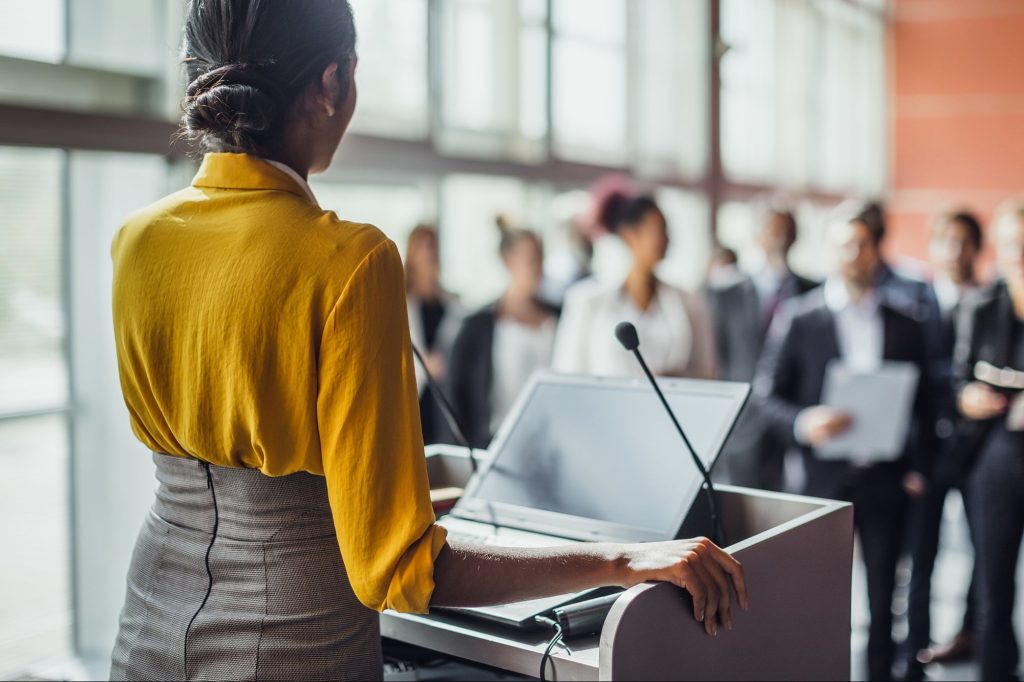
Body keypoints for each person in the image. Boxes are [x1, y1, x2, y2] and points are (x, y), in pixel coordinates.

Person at [107, 2, 748, 679]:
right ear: (334, 82)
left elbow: (235, 456)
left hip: (151, 621)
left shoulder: (137, 240)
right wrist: (622, 561)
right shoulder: (350, 260)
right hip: (291, 646)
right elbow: (399, 571)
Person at [756, 209, 933, 682]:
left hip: (885, 478)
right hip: (821, 480)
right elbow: (765, 397)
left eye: (862, 244)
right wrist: (802, 422)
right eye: (843, 245)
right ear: (829, 251)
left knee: (883, 600)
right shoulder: (799, 318)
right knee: (817, 601)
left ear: (877, 250)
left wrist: (917, 467)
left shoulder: (906, 322)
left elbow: (926, 402)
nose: (853, 254)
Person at [906, 211, 985, 678]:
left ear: (977, 248)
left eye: (963, 242)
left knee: (986, 548)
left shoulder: (994, 300)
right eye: (945, 241)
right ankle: (915, 649)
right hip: (925, 454)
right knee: (922, 553)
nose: (954, 251)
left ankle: (970, 633)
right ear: (932, 248)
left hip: (974, 450)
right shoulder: (914, 304)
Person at [958, 201, 1024, 681]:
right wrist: (967, 397)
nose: (1017, 252)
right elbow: (956, 380)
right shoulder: (981, 304)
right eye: (1010, 242)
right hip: (996, 453)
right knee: (993, 584)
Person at [707, 207, 817, 490]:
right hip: (744, 424)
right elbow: (716, 359)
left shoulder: (813, 291)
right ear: (757, 236)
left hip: (794, 415)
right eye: (772, 230)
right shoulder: (726, 293)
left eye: (785, 231)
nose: (779, 238)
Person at [553, 192, 717, 379]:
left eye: (667, 230)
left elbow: (708, 373)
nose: (667, 239)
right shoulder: (586, 300)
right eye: (659, 229)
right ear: (630, 235)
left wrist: (674, 379)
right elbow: (567, 374)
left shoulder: (690, 301)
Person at [448, 219, 559, 449]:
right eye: (531, 259)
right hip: (497, 443)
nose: (539, 267)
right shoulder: (477, 326)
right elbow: (457, 399)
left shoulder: (560, 317)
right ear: (508, 263)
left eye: (541, 257)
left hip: (553, 441)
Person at [404, 223, 465, 444]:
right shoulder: (400, 301)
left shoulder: (453, 304)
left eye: (433, 247)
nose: (429, 254)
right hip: (414, 398)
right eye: (423, 247)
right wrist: (423, 367)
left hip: (443, 398)